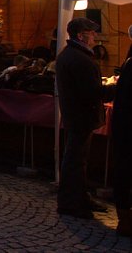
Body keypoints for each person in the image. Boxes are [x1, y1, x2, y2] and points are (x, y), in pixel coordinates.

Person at [56, 17, 110, 219]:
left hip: (76, 116)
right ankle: (71, 203)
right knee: (75, 161)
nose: (95, 36)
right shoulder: (79, 59)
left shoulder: (72, 55)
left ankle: (79, 197)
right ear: (81, 35)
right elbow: (92, 92)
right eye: (92, 32)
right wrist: (118, 88)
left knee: (77, 160)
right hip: (80, 116)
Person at [112, 27, 132, 235]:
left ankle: (124, 219)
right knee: (125, 172)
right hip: (127, 128)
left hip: (124, 127)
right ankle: (125, 220)